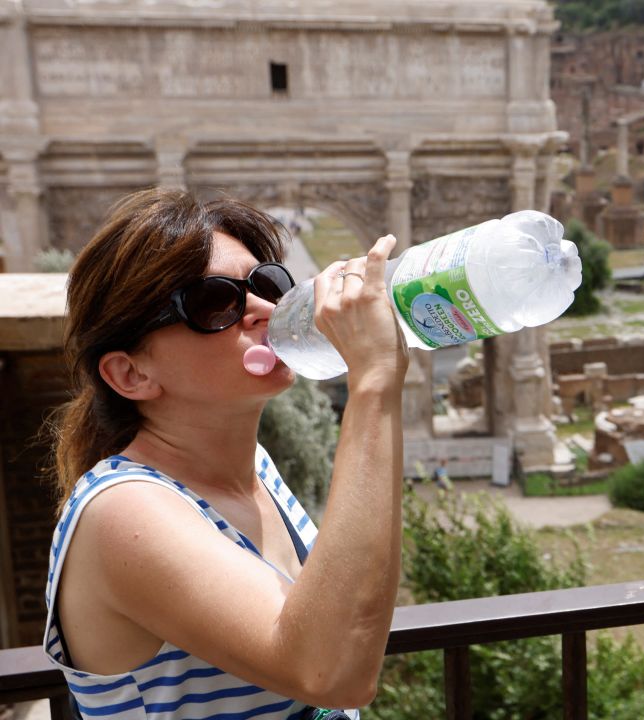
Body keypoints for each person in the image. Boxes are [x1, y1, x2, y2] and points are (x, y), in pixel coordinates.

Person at [43, 189, 408, 719]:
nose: (265, 310)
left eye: (268, 283)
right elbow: (329, 671)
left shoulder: (253, 466)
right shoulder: (122, 513)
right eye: (215, 302)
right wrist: (373, 381)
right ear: (131, 373)